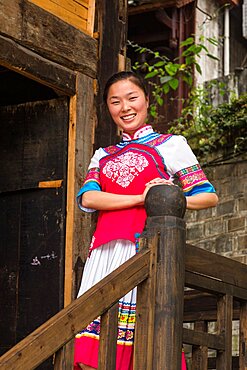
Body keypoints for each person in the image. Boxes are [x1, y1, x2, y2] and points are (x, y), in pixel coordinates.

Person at [74, 71, 218, 370]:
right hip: (103, 254)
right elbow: (88, 199)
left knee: (145, 343)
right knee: (93, 352)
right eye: (115, 101)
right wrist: (145, 198)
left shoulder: (171, 144)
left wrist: (169, 199)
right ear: (108, 109)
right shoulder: (102, 154)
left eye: (132, 98)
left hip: (144, 248)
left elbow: (207, 196)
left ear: (146, 101)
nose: (125, 107)